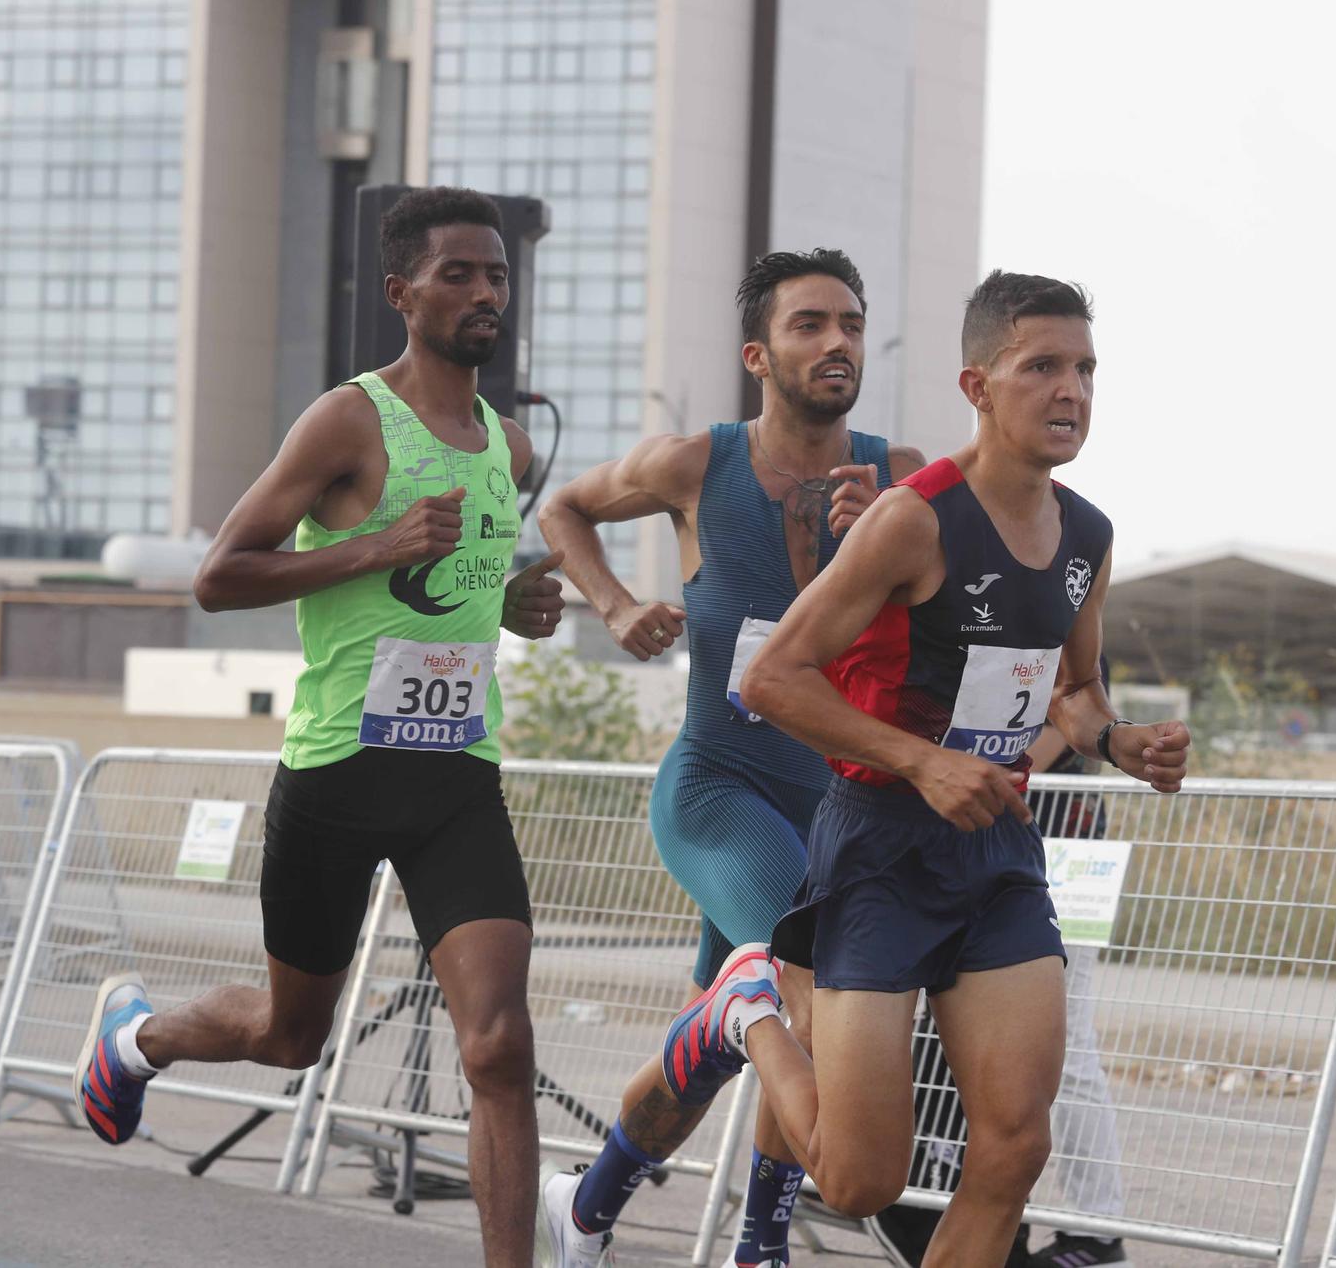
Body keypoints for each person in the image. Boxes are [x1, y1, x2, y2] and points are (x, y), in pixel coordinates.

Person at [71, 187, 567, 1268]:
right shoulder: (348, 418)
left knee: (499, 1040)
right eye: (458, 274)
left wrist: (521, 606)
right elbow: (218, 576)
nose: (485, 291)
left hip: (454, 781)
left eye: (495, 274)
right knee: (292, 1038)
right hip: (336, 774)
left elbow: (465, 593)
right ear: (401, 293)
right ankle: (136, 1037)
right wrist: (370, 547)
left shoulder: (509, 446)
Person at [660, 270, 1191, 1268]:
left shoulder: (1086, 534)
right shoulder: (912, 518)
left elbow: (1074, 692)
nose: (1069, 390)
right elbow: (774, 678)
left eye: (1083, 369)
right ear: (977, 386)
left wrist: (1122, 742)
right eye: (1040, 367)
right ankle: (749, 1015)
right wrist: (923, 762)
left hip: (994, 855)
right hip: (878, 849)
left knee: (1013, 1144)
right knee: (860, 1177)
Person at [534, 248, 923, 1268]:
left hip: (831, 808)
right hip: (715, 791)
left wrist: (879, 551)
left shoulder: (900, 477)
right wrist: (615, 605)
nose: (835, 341)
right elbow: (560, 508)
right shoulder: (691, 465)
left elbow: (945, 628)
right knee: (805, 1001)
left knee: (717, 1049)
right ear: (758, 353)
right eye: (808, 324)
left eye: (850, 321)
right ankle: (758, 1248)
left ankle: (587, 1201)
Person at [867, 660, 1132, 1268]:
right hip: (978, 847)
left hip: (1061, 851)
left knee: (1069, 1047)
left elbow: (1072, 718)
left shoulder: (1061, 593)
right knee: (969, 1046)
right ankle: (978, 1215)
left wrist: (972, 775)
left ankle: (1098, 1231)